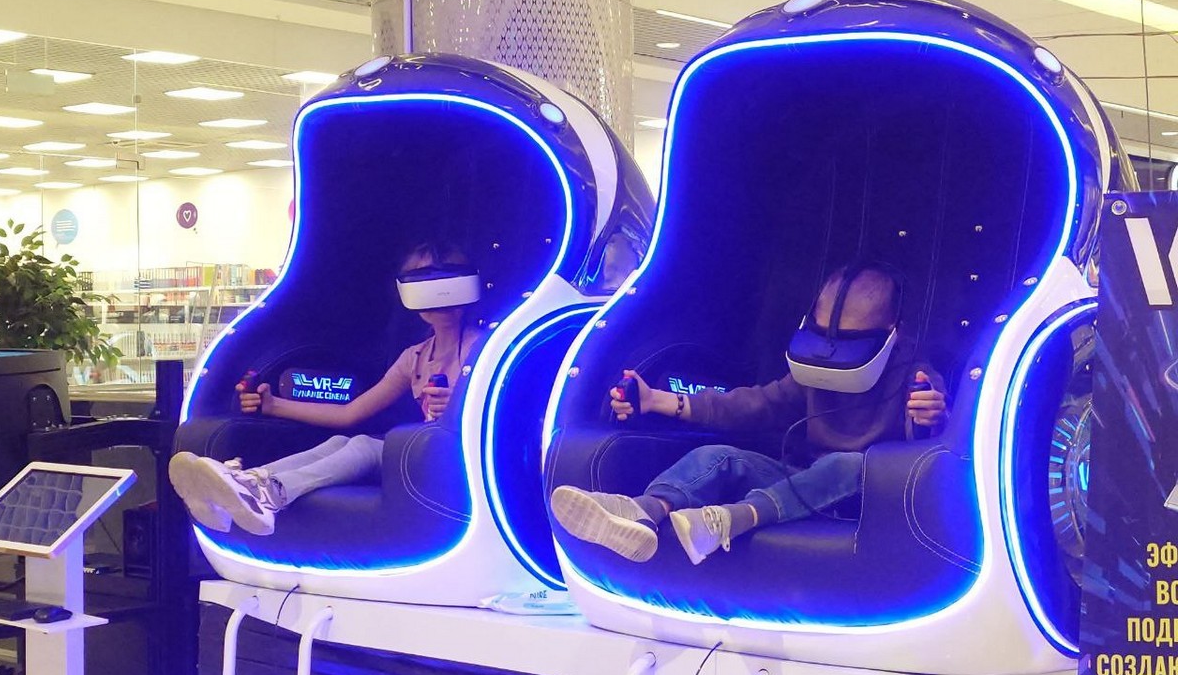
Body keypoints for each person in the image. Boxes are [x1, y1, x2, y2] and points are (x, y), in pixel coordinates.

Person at [550, 264, 949, 566]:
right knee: (718, 458)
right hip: (799, 487)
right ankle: (642, 513)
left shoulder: (914, 374)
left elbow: (932, 434)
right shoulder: (814, 370)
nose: (831, 350)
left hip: (864, 497)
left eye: (848, 339)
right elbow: (753, 405)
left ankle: (730, 520)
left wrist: (927, 420)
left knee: (848, 464)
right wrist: (658, 400)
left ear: (891, 330)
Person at [169, 242, 481, 536]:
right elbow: (350, 414)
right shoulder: (415, 357)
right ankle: (248, 482)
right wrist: (273, 405)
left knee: (366, 446)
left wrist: (459, 407)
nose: (440, 296)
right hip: (424, 453)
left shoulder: (487, 347)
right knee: (339, 442)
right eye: (424, 282)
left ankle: (271, 493)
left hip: (459, 459)